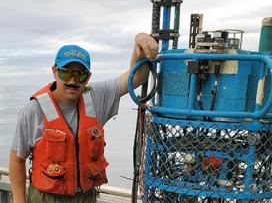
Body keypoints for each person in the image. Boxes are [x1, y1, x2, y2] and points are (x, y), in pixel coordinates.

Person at [9, 33, 159, 203]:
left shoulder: (95, 97)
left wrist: (139, 45)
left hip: (85, 197)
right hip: (46, 197)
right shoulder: (33, 110)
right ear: (55, 71)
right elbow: (17, 159)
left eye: (80, 75)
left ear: (88, 77)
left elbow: (137, 78)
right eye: (66, 73)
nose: (72, 80)